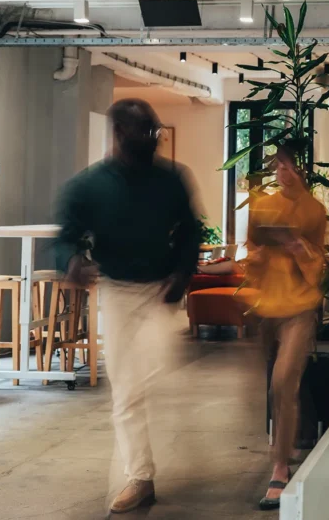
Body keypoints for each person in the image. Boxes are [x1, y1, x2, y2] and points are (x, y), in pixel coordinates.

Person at [54, 98, 200, 514]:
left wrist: (182, 273)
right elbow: (66, 235)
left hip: (159, 292)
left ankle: (161, 455)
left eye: (155, 133)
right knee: (127, 389)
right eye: (145, 134)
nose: (153, 141)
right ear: (119, 134)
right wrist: (71, 260)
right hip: (117, 291)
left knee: (158, 374)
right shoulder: (89, 186)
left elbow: (190, 232)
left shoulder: (171, 180)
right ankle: (141, 476)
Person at [242, 144, 328, 510]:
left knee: (283, 382)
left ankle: (280, 468)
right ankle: (286, 447)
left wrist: (298, 248)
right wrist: (260, 255)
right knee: (277, 388)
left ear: (302, 170)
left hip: (300, 306)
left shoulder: (315, 210)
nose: (283, 173)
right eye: (279, 166)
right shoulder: (263, 206)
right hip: (267, 306)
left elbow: (319, 263)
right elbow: (251, 251)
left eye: (290, 167)